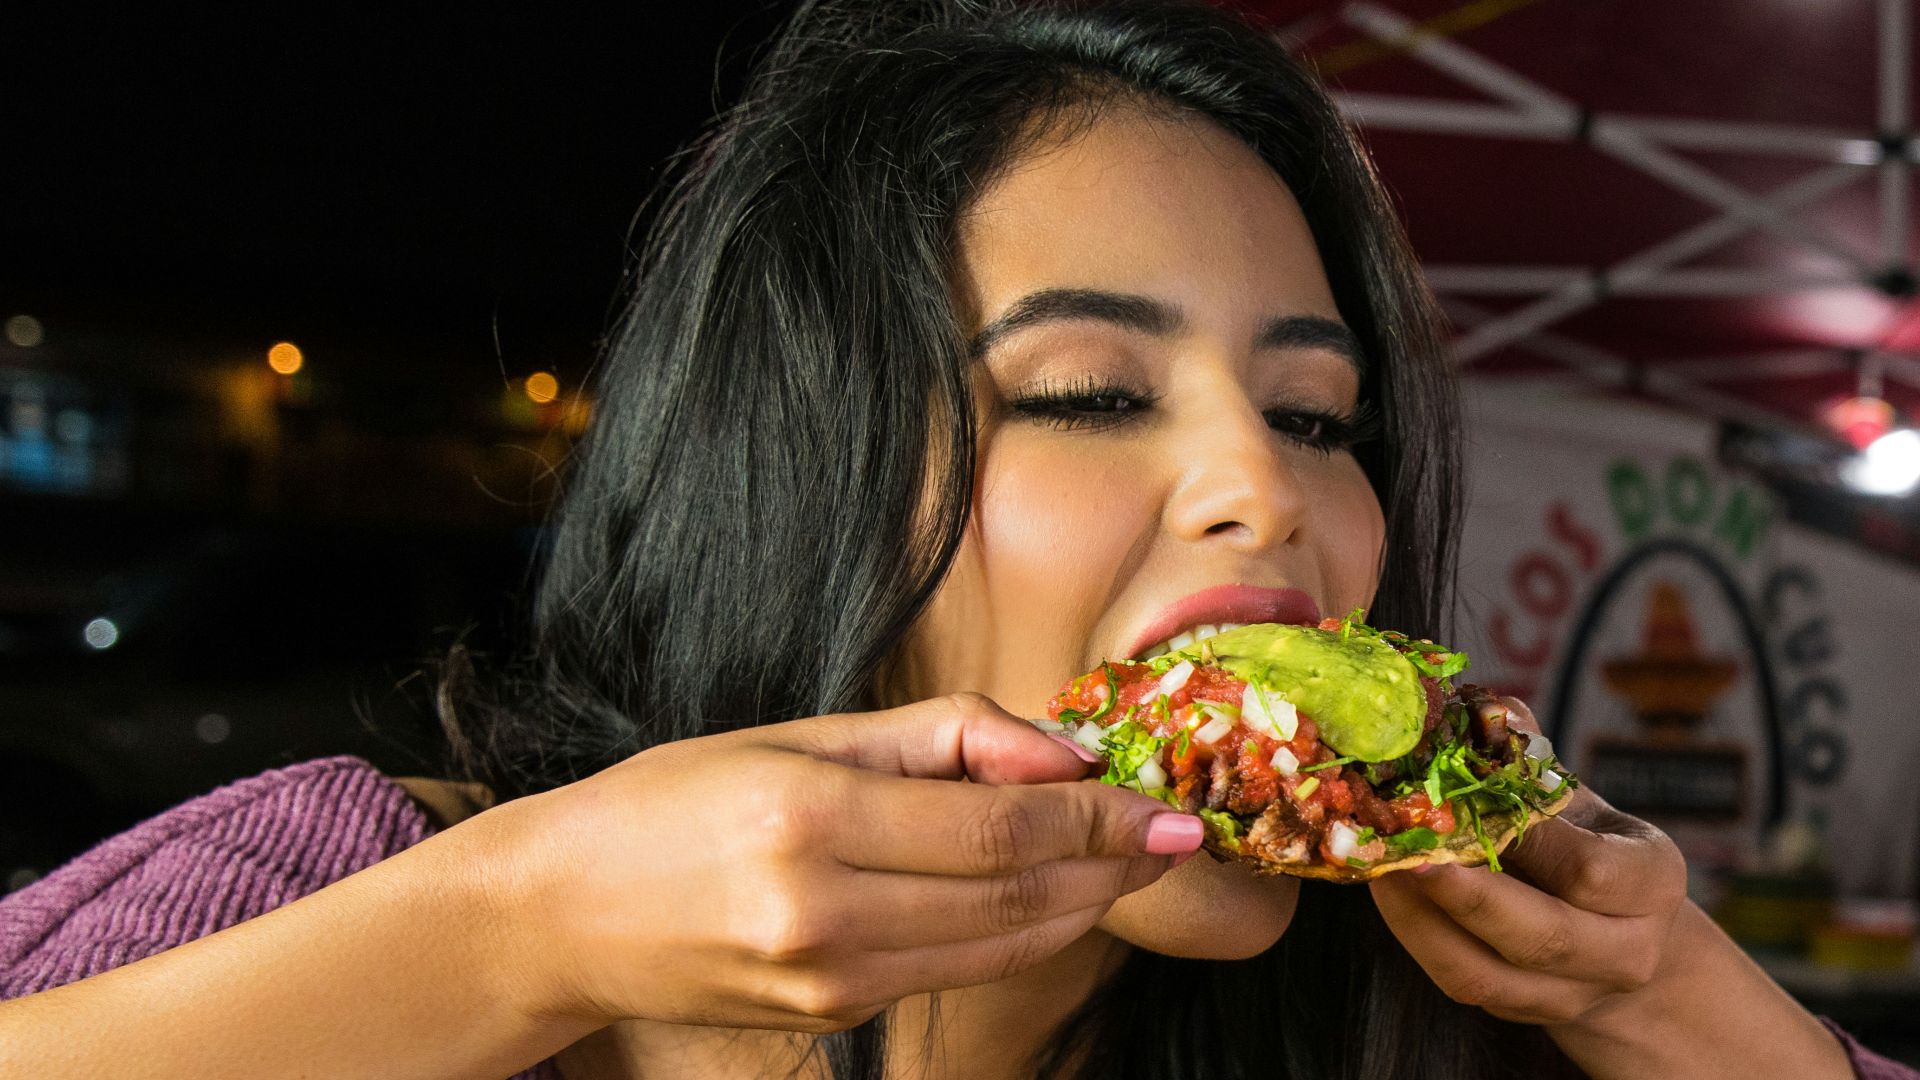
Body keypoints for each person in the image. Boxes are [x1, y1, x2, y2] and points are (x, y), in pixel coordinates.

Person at [0, 1, 1906, 1077]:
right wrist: (522, 940)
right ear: (801, 471)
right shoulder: (344, 888)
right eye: (1086, 392)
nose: (1275, 490)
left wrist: (1675, 1004)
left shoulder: (1426, 1031)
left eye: (1325, 417)